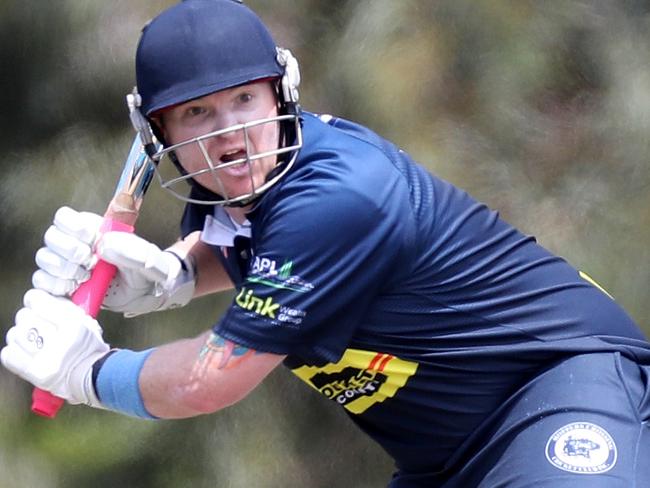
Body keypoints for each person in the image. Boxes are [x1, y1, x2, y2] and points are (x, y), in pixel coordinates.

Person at [2, 1, 650, 486]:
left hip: (557, 391)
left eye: (244, 100)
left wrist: (90, 373)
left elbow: (208, 382)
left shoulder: (339, 195)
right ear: (158, 129)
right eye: (198, 112)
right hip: (446, 456)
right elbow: (244, 247)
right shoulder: (242, 191)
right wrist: (173, 277)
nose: (230, 135)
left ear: (281, 92)